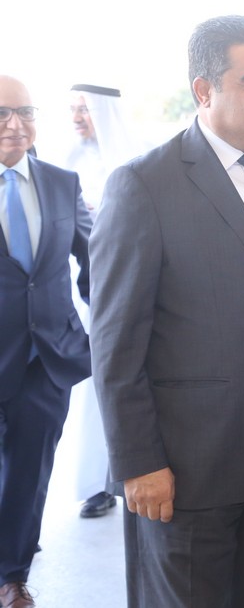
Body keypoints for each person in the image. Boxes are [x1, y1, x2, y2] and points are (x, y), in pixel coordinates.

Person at [89, 15, 244, 607]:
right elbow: (116, 343)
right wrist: (138, 462)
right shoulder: (144, 185)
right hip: (188, 475)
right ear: (204, 90)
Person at [0, 76, 92, 608]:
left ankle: (12, 576)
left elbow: (93, 258)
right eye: (2, 113)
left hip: (46, 357)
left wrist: (117, 323)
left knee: (29, 473)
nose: (16, 124)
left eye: (26, 112)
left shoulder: (62, 182)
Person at [63, 84, 136, 519]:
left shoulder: (130, 161)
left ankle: (114, 477)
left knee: (113, 383)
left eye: (84, 109)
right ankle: (93, 483)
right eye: (72, 109)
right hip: (76, 292)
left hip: (115, 288)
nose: (76, 118)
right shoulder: (67, 161)